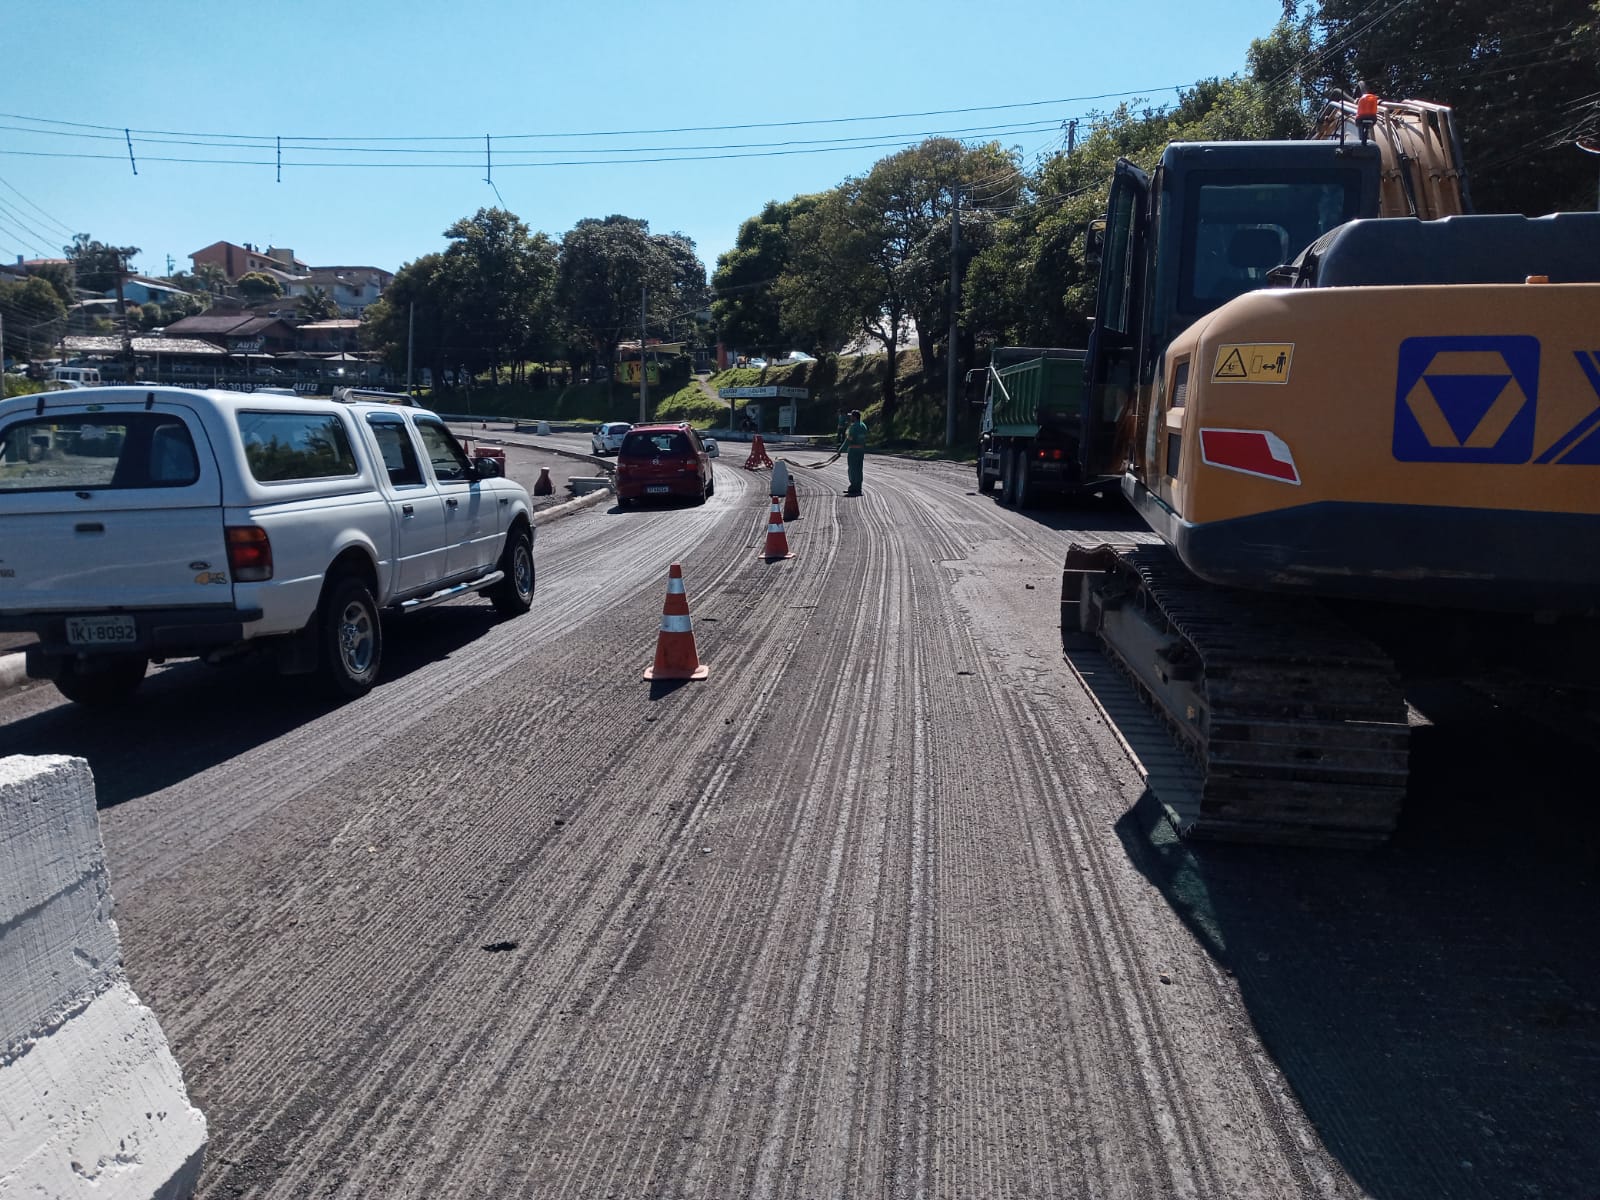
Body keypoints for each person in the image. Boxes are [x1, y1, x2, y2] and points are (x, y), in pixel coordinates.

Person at [841, 409, 867, 496]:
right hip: (861, 451)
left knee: (852, 469)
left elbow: (849, 440)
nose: (850, 417)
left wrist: (841, 449)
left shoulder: (853, 427)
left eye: (851, 416)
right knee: (859, 469)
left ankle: (853, 488)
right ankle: (858, 488)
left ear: (854, 417)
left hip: (853, 451)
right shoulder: (863, 426)